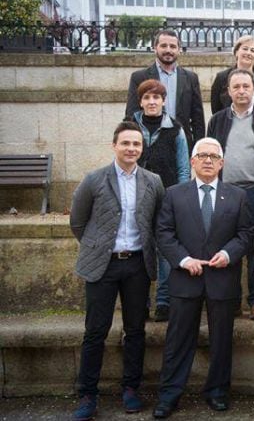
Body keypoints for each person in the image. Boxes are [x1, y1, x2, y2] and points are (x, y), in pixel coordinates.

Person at [69, 122, 165, 421]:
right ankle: (87, 394)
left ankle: (131, 389)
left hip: (137, 264)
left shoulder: (153, 181)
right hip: (103, 265)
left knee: (135, 329)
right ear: (114, 145)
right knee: (95, 330)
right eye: (126, 143)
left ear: (142, 147)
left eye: (136, 144)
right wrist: (97, 247)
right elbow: (77, 221)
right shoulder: (94, 179)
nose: (131, 149)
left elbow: (158, 223)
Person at [153, 138, 252, 418]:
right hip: (186, 279)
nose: (208, 160)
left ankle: (218, 392)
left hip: (222, 278)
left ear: (222, 163)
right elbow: (164, 233)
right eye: (202, 155)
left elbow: (246, 234)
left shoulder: (237, 196)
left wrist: (228, 253)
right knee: (178, 340)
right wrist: (183, 260)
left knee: (222, 340)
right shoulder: (174, 194)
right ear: (192, 161)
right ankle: (169, 395)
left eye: (214, 156)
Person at [207, 69, 254, 321]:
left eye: (246, 86)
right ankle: (231, 300)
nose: (241, 91)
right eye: (236, 87)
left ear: (253, 90)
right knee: (226, 245)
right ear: (228, 91)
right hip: (224, 192)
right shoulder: (217, 120)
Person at [131, 79, 190, 322]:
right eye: (147, 97)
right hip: (135, 199)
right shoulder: (130, 126)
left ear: (164, 101)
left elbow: (183, 168)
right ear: (141, 101)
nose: (152, 101)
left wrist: (179, 197)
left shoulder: (175, 129)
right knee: (140, 250)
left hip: (167, 197)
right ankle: (141, 301)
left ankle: (163, 301)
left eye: (156, 97)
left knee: (165, 251)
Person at [125, 30, 205, 152]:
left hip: (181, 145)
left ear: (179, 50)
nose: (168, 50)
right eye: (163, 46)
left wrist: (198, 149)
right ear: (155, 48)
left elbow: (197, 118)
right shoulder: (139, 77)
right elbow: (132, 115)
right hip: (149, 145)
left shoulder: (191, 78)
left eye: (173, 46)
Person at [210, 35, 254, 114]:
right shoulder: (222, 78)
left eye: (252, 50)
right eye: (245, 49)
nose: (248, 53)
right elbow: (216, 109)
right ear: (236, 52)